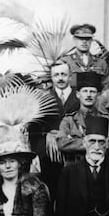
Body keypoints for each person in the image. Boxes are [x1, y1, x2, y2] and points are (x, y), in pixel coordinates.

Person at [28, 60, 80, 193]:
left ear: (70, 76)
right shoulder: (42, 99)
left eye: (63, 74)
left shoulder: (80, 96)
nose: (60, 78)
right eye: (56, 75)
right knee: (52, 192)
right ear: (51, 77)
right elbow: (34, 132)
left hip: (76, 156)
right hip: (51, 157)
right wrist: (46, 140)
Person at [56, 71, 107, 165]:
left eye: (92, 91)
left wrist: (74, 142)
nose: (88, 95)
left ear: (98, 95)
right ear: (78, 94)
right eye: (85, 91)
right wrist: (93, 144)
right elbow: (61, 143)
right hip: (74, 168)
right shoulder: (68, 120)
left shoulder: (105, 119)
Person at [64, 23, 109, 88]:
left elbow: (106, 87)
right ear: (74, 39)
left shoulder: (101, 63)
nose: (84, 41)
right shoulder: (66, 61)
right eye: (80, 38)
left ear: (91, 40)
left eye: (87, 38)